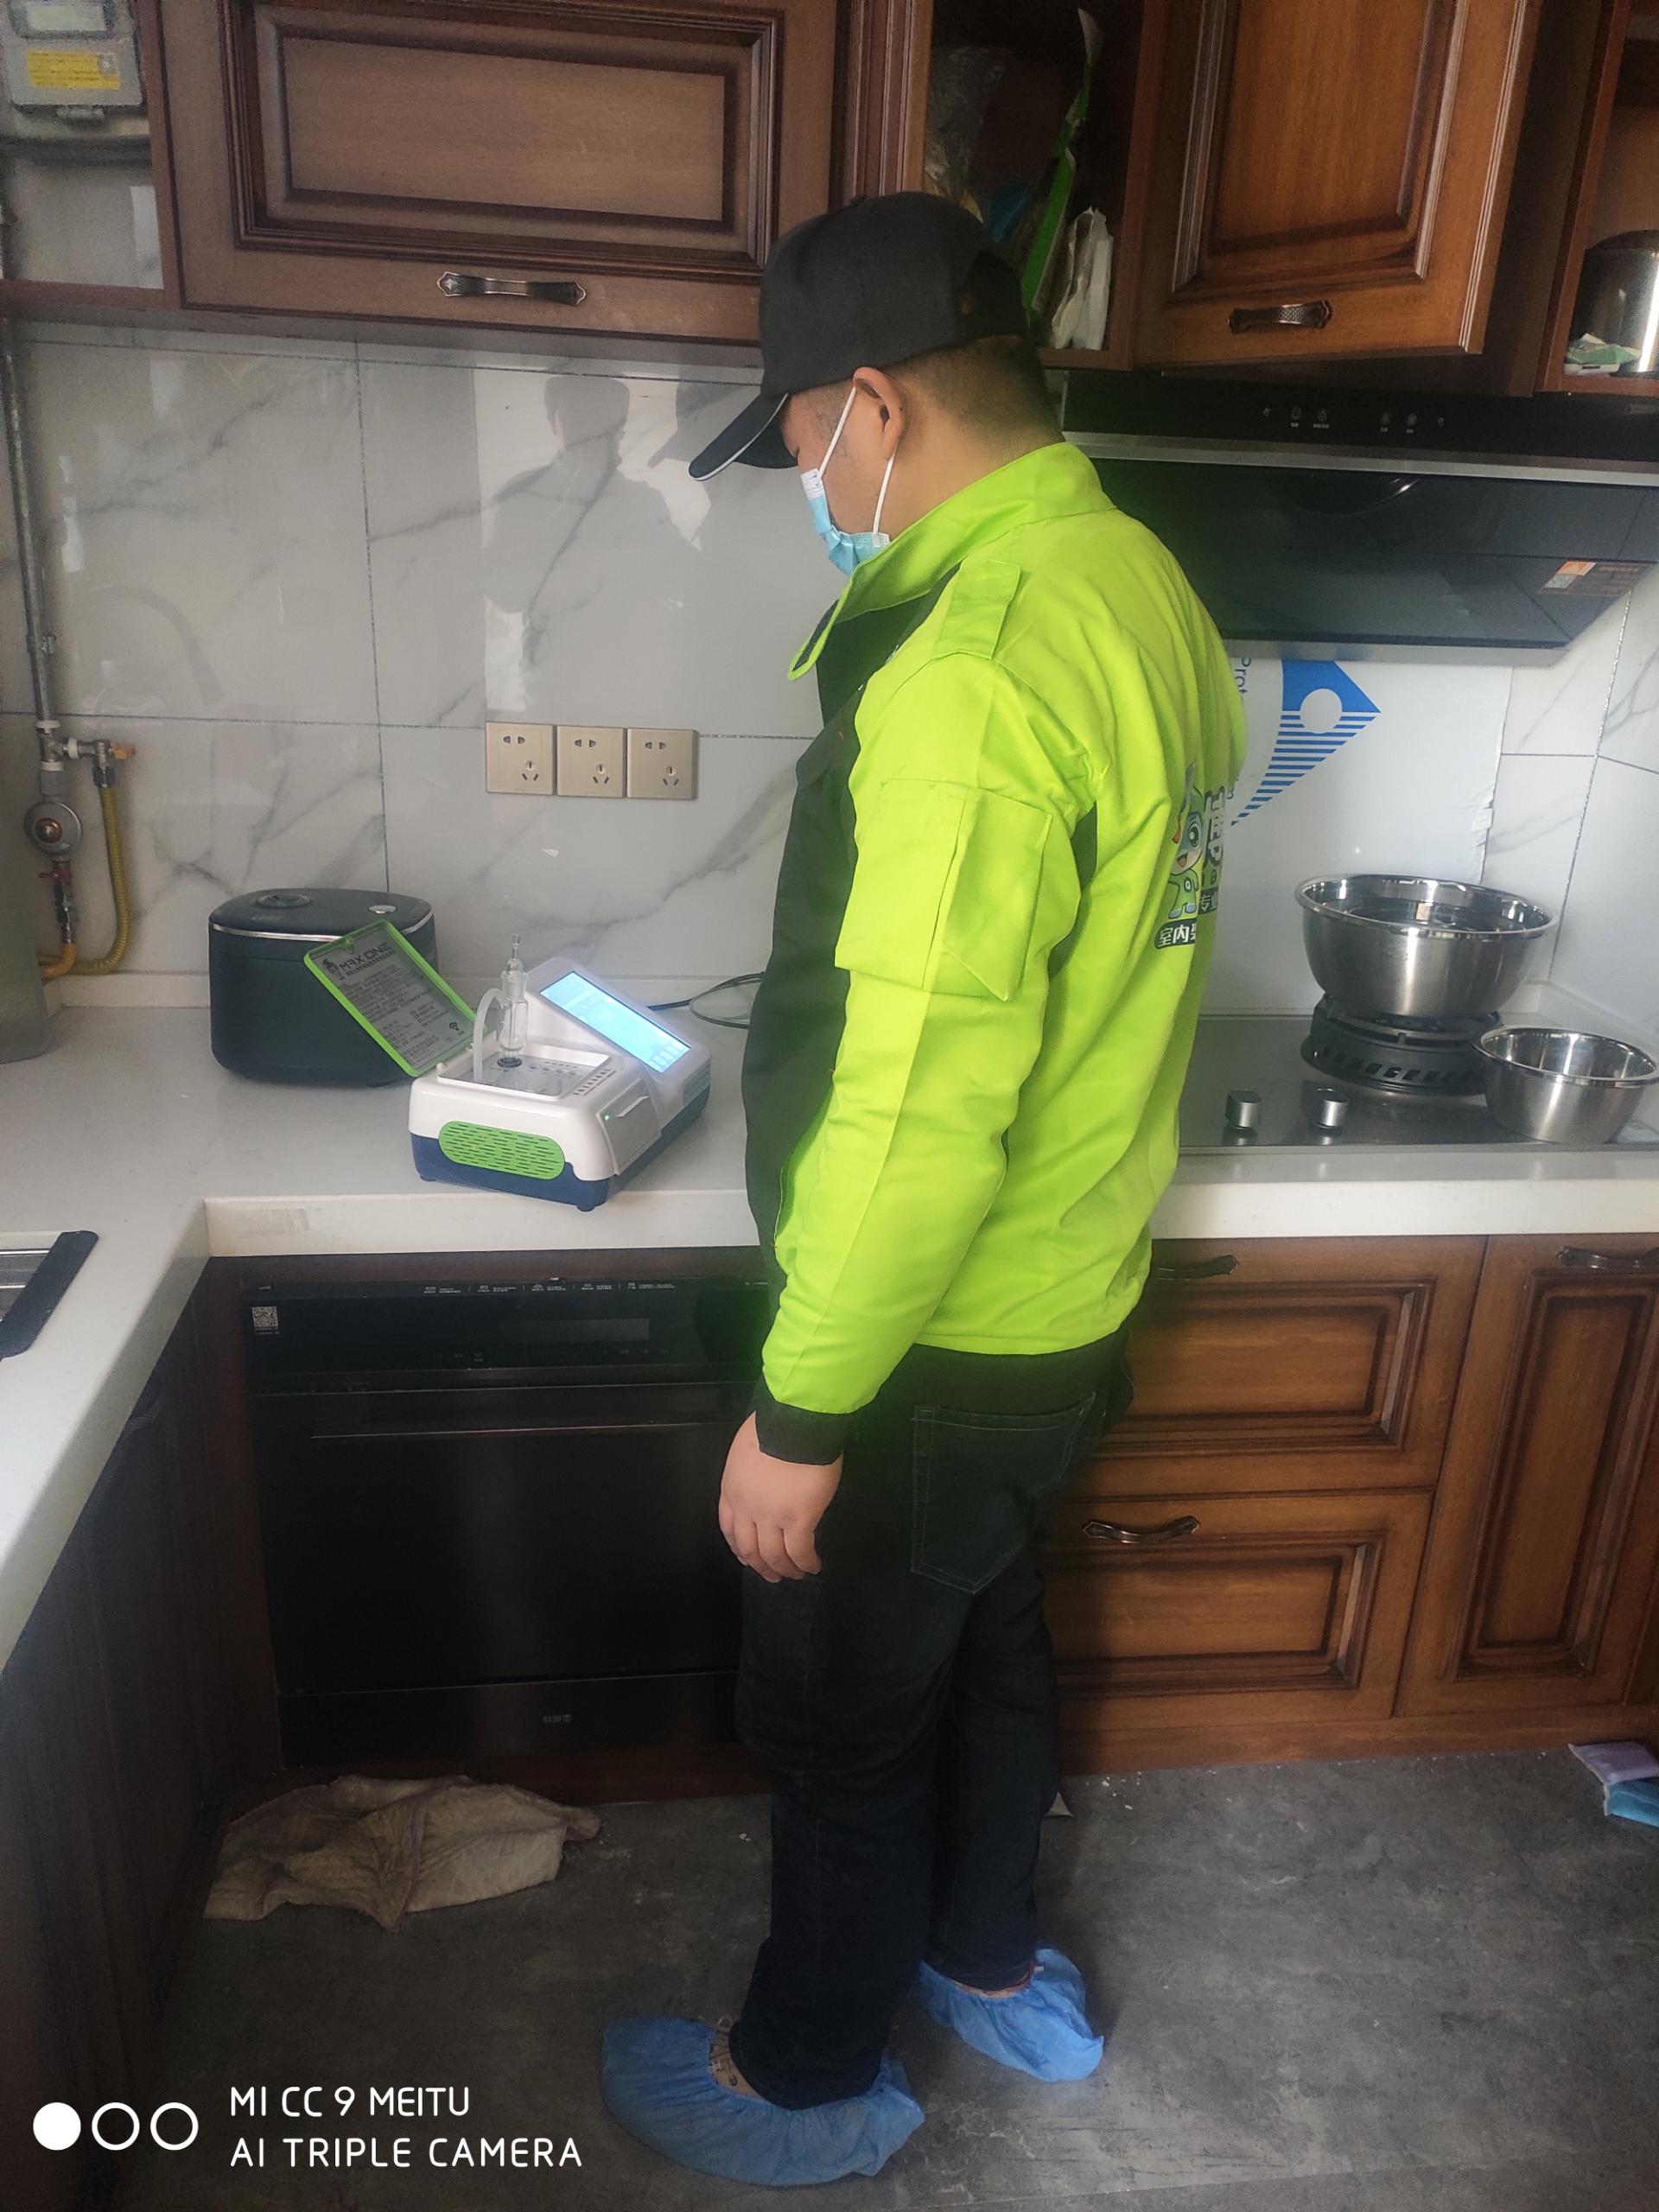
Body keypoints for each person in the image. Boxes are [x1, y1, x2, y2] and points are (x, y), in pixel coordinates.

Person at [601, 192, 1247, 2188]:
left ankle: (804, 2072)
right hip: (1066, 1294)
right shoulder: (1133, 575)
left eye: (803, 436)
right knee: (987, 1641)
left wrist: (803, 1410)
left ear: (875, 403)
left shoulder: (981, 656)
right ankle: (986, 1957)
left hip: (929, 1325)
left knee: (843, 1714)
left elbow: (915, 1097)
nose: (808, 479)